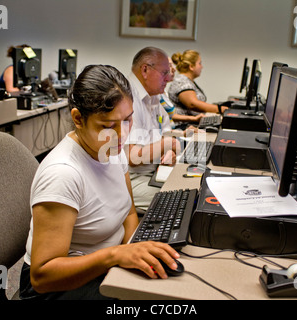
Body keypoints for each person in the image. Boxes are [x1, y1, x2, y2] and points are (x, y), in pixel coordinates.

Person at [19, 65, 180, 300]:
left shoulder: (112, 149)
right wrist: (116, 256)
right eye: (107, 126)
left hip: (104, 265)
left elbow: (128, 212)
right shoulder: (63, 173)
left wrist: (135, 252)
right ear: (78, 119)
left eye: (128, 120)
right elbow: (43, 277)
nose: (122, 134)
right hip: (57, 288)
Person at [126, 47, 196, 211]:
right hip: (131, 179)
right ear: (145, 70)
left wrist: (167, 151)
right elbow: (134, 158)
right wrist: (167, 145)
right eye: (165, 72)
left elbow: (162, 134)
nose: (170, 78)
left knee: (192, 188)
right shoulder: (129, 99)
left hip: (152, 171)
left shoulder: (153, 95)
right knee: (184, 202)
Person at [168, 50, 228, 119]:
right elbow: (193, 104)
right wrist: (220, 109)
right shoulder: (182, 81)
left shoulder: (188, 80)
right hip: (184, 125)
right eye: (199, 63)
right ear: (191, 67)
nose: (202, 67)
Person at [160, 57, 204, 129]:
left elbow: (170, 116)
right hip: (175, 130)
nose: (174, 69)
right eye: (170, 66)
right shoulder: (155, 96)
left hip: (173, 132)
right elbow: (193, 104)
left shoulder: (163, 93)